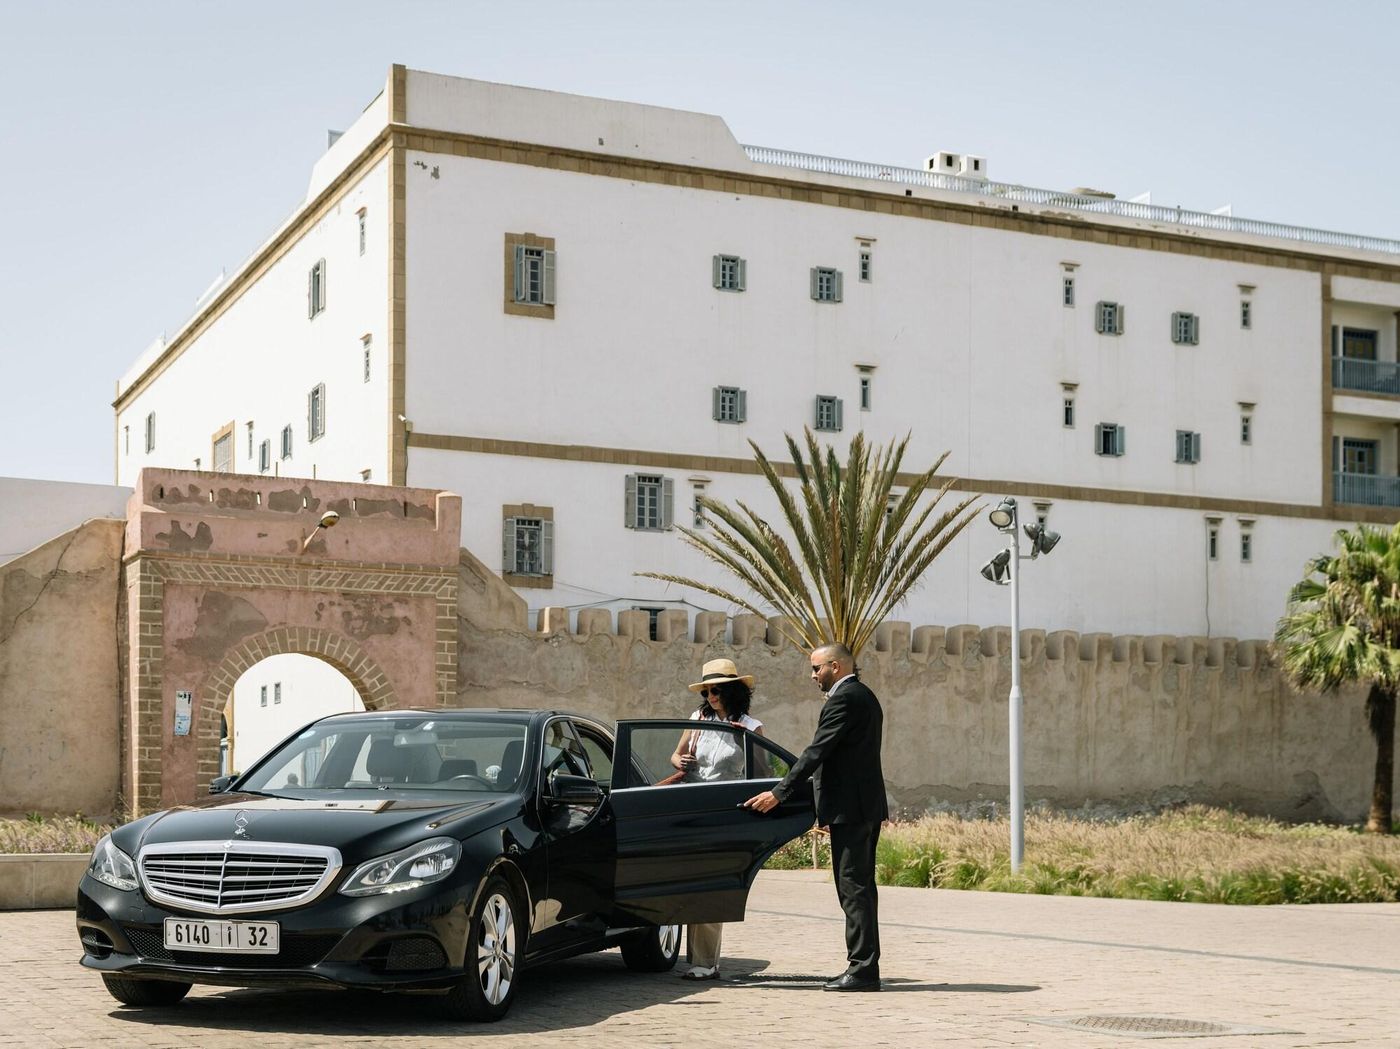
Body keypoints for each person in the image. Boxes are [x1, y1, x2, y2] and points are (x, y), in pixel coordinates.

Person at [744, 642, 887, 992]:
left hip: (851, 809)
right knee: (861, 889)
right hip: (863, 806)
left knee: (853, 889)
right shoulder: (864, 695)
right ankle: (864, 965)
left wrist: (780, 792)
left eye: (816, 668)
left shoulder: (845, 698)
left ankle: (863, 970)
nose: (813, 676)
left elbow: (818, 750)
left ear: (835, 667)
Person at [669, 658, 765, 981]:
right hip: (692, 809)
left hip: (725, 813)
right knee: (692, 884)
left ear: (733, 691)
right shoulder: (698, 718)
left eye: (717, 690)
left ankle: (705, 962)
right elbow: (675, 754)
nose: (710, 696)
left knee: (712, 886)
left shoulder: (751, 728)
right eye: (707, 690)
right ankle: (699, 960)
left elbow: (761, 775)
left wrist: (742, 740)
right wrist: (679, 759)